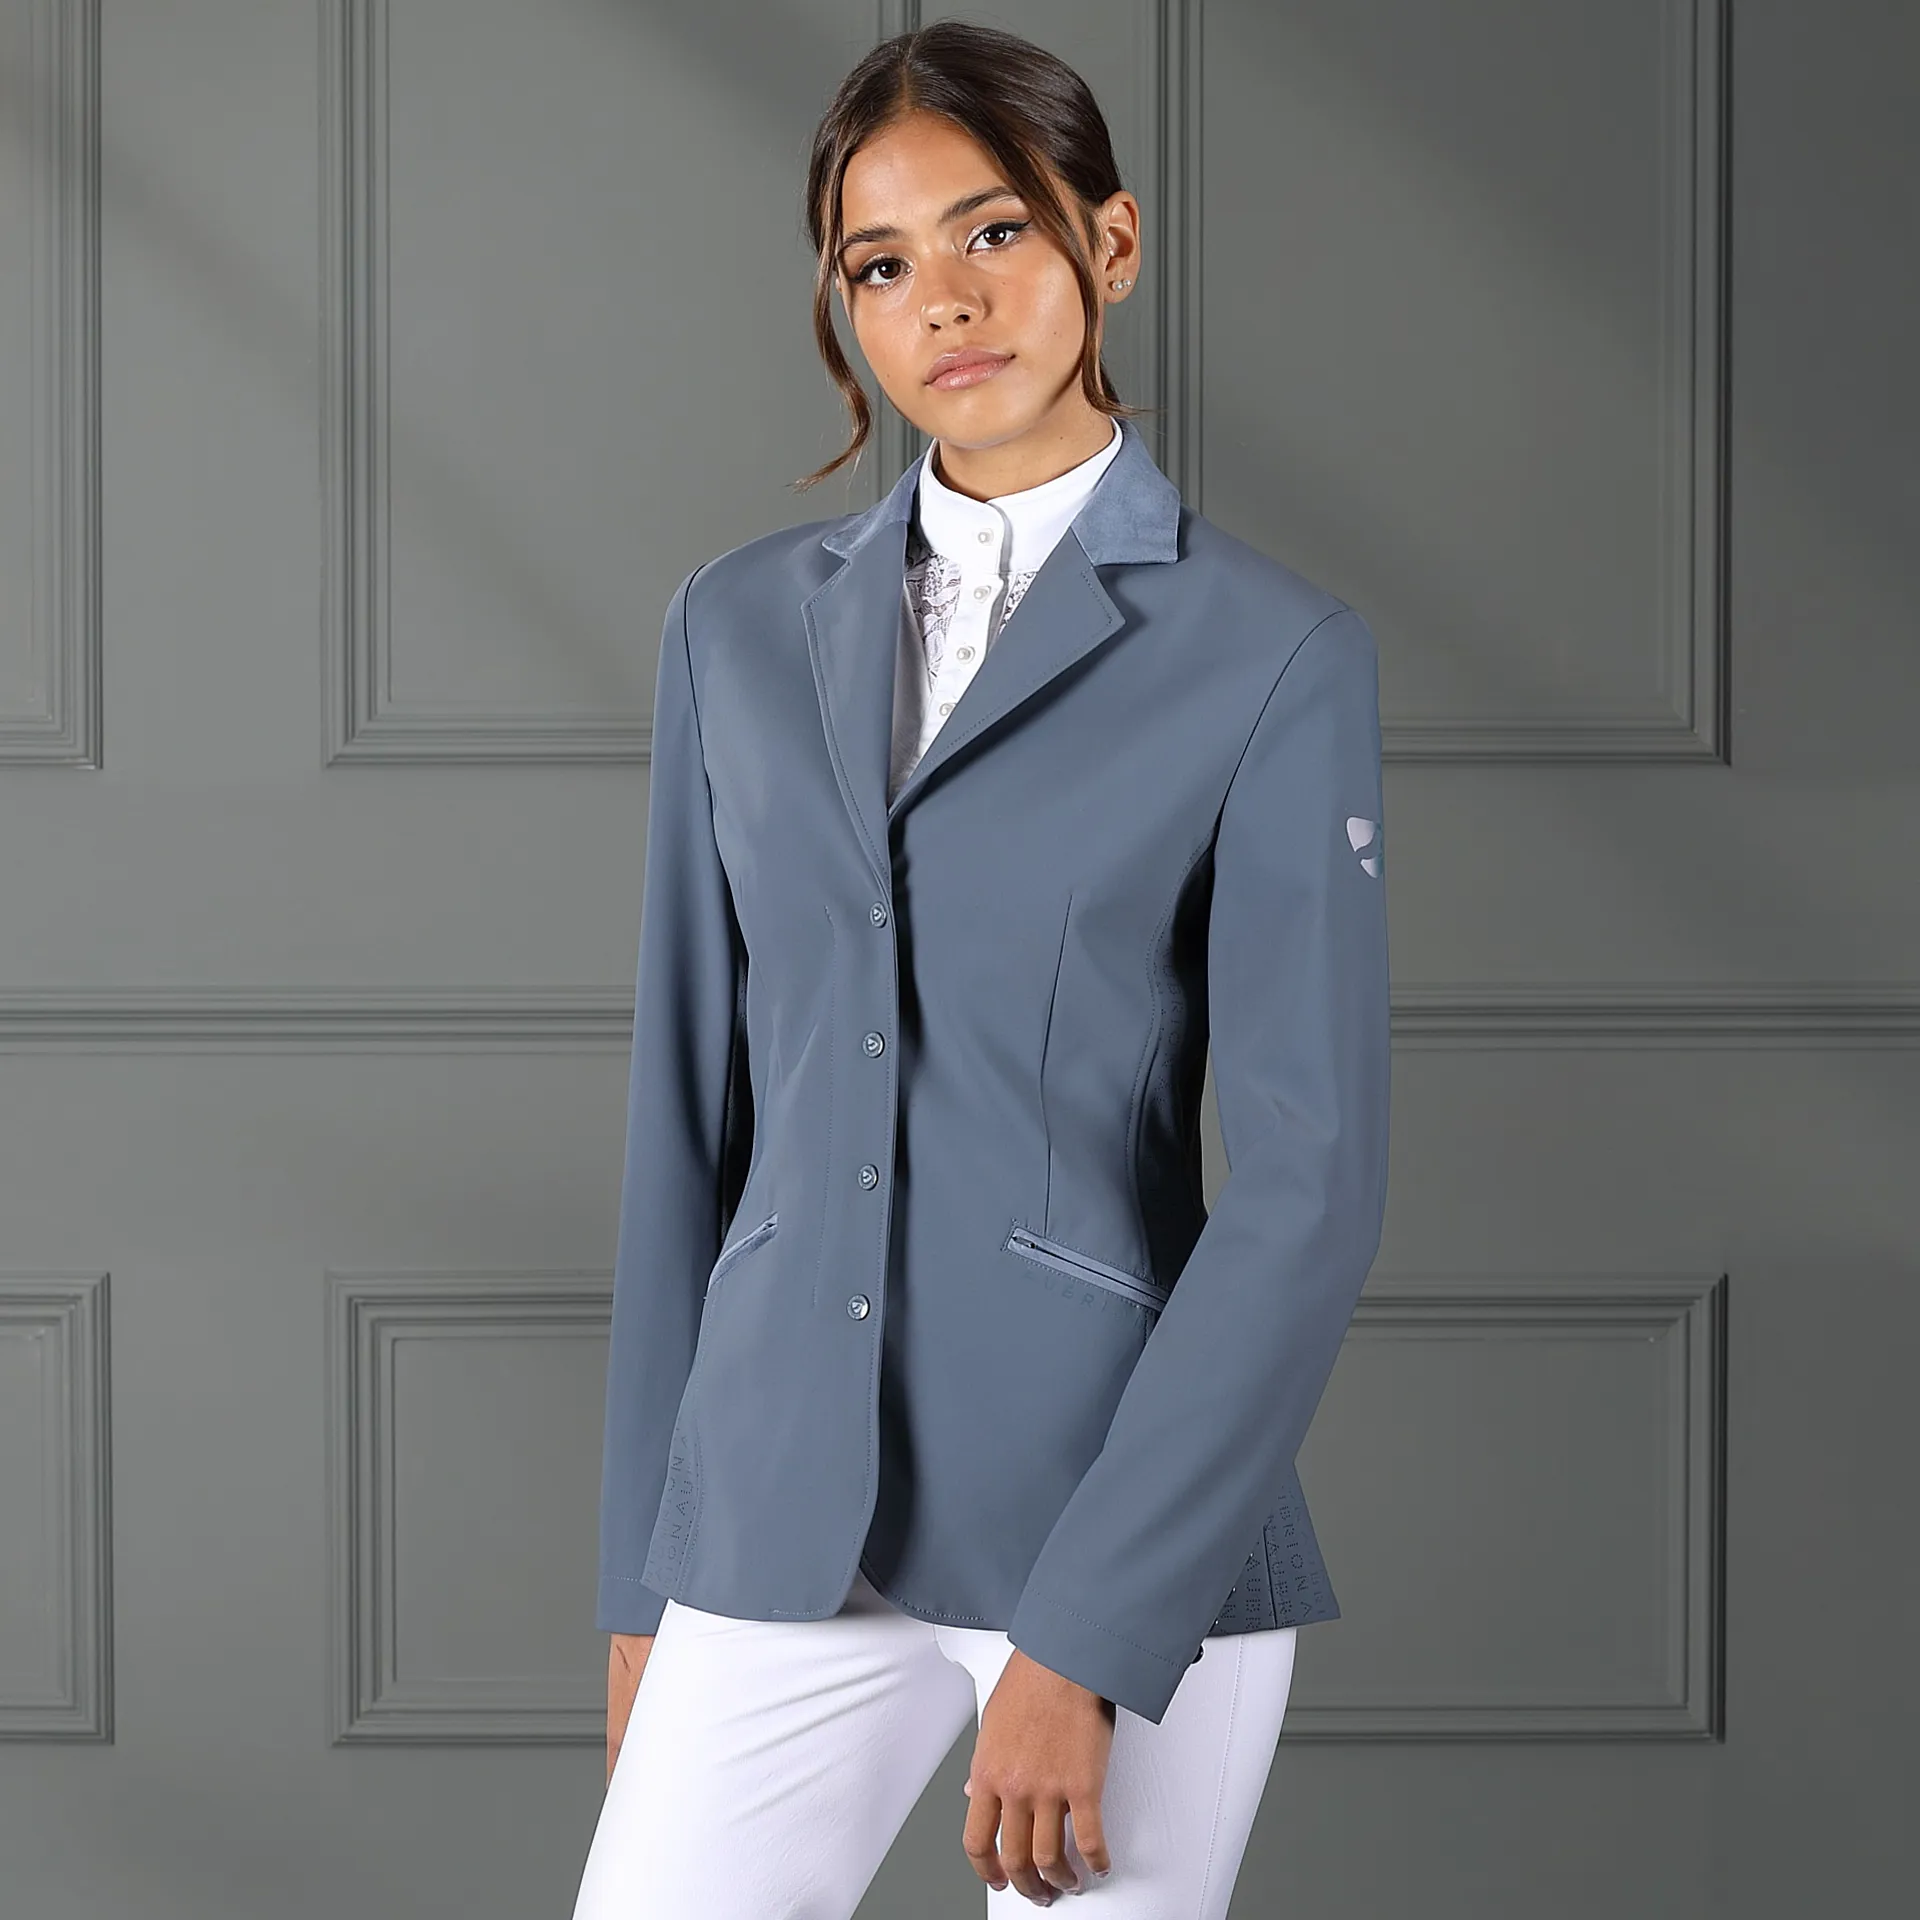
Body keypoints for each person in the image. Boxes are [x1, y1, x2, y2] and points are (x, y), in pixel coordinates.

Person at [572, 20, 1390, 1918]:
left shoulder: (1272, 654)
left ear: (1111, 242)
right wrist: (641, 1578)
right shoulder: (732, 630)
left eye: (993, 232)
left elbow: (1310, 1184)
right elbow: (685, 1123)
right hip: (775, 1519)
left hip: (1113, 1517)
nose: (940, 300)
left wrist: (1087, 1634)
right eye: (880, 264)